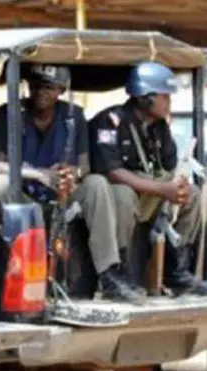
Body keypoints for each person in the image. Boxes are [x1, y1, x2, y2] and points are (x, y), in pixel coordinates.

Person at [0, 64, 143, 303]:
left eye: (48, 87)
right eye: (36, 86)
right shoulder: (8, 112)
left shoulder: (73, 115)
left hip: (63, 194)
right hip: (26, 195)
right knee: (0, 183)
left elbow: (85, 166)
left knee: (96, 184)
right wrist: (38, 174)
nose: (40, 92)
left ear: (60, 90)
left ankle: (109, 273)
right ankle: (4, 263)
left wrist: (72, 175)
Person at [89, 61, 207, 296]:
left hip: (150, 195)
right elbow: (113, 172)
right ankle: (118, 273)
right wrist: (163, 190)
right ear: (144, 98)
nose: (168, 102)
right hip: (115, 198)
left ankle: (177, 272)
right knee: (122, 195)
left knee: (192, 194)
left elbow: (170, 165)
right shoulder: (110, 121)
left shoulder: (160, 127)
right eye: (164, 97)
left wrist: (177, 187)